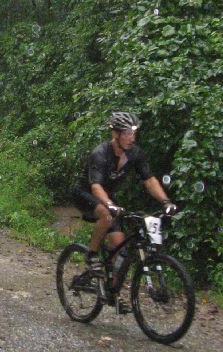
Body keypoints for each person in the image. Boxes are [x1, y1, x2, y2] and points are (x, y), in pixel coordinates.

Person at [72, 111, 176, 281]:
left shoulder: (135, 154)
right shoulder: (100, 153)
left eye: (134, 133)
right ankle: (92, 255)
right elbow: (96, 186)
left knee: (119, 245)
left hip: (108, 197)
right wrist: (109, 204)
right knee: (106, 215)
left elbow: (149, 180)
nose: (132, 138)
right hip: (85, 193)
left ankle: (111, 289)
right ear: (115, 134)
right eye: (127, 133)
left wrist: (166, 202)